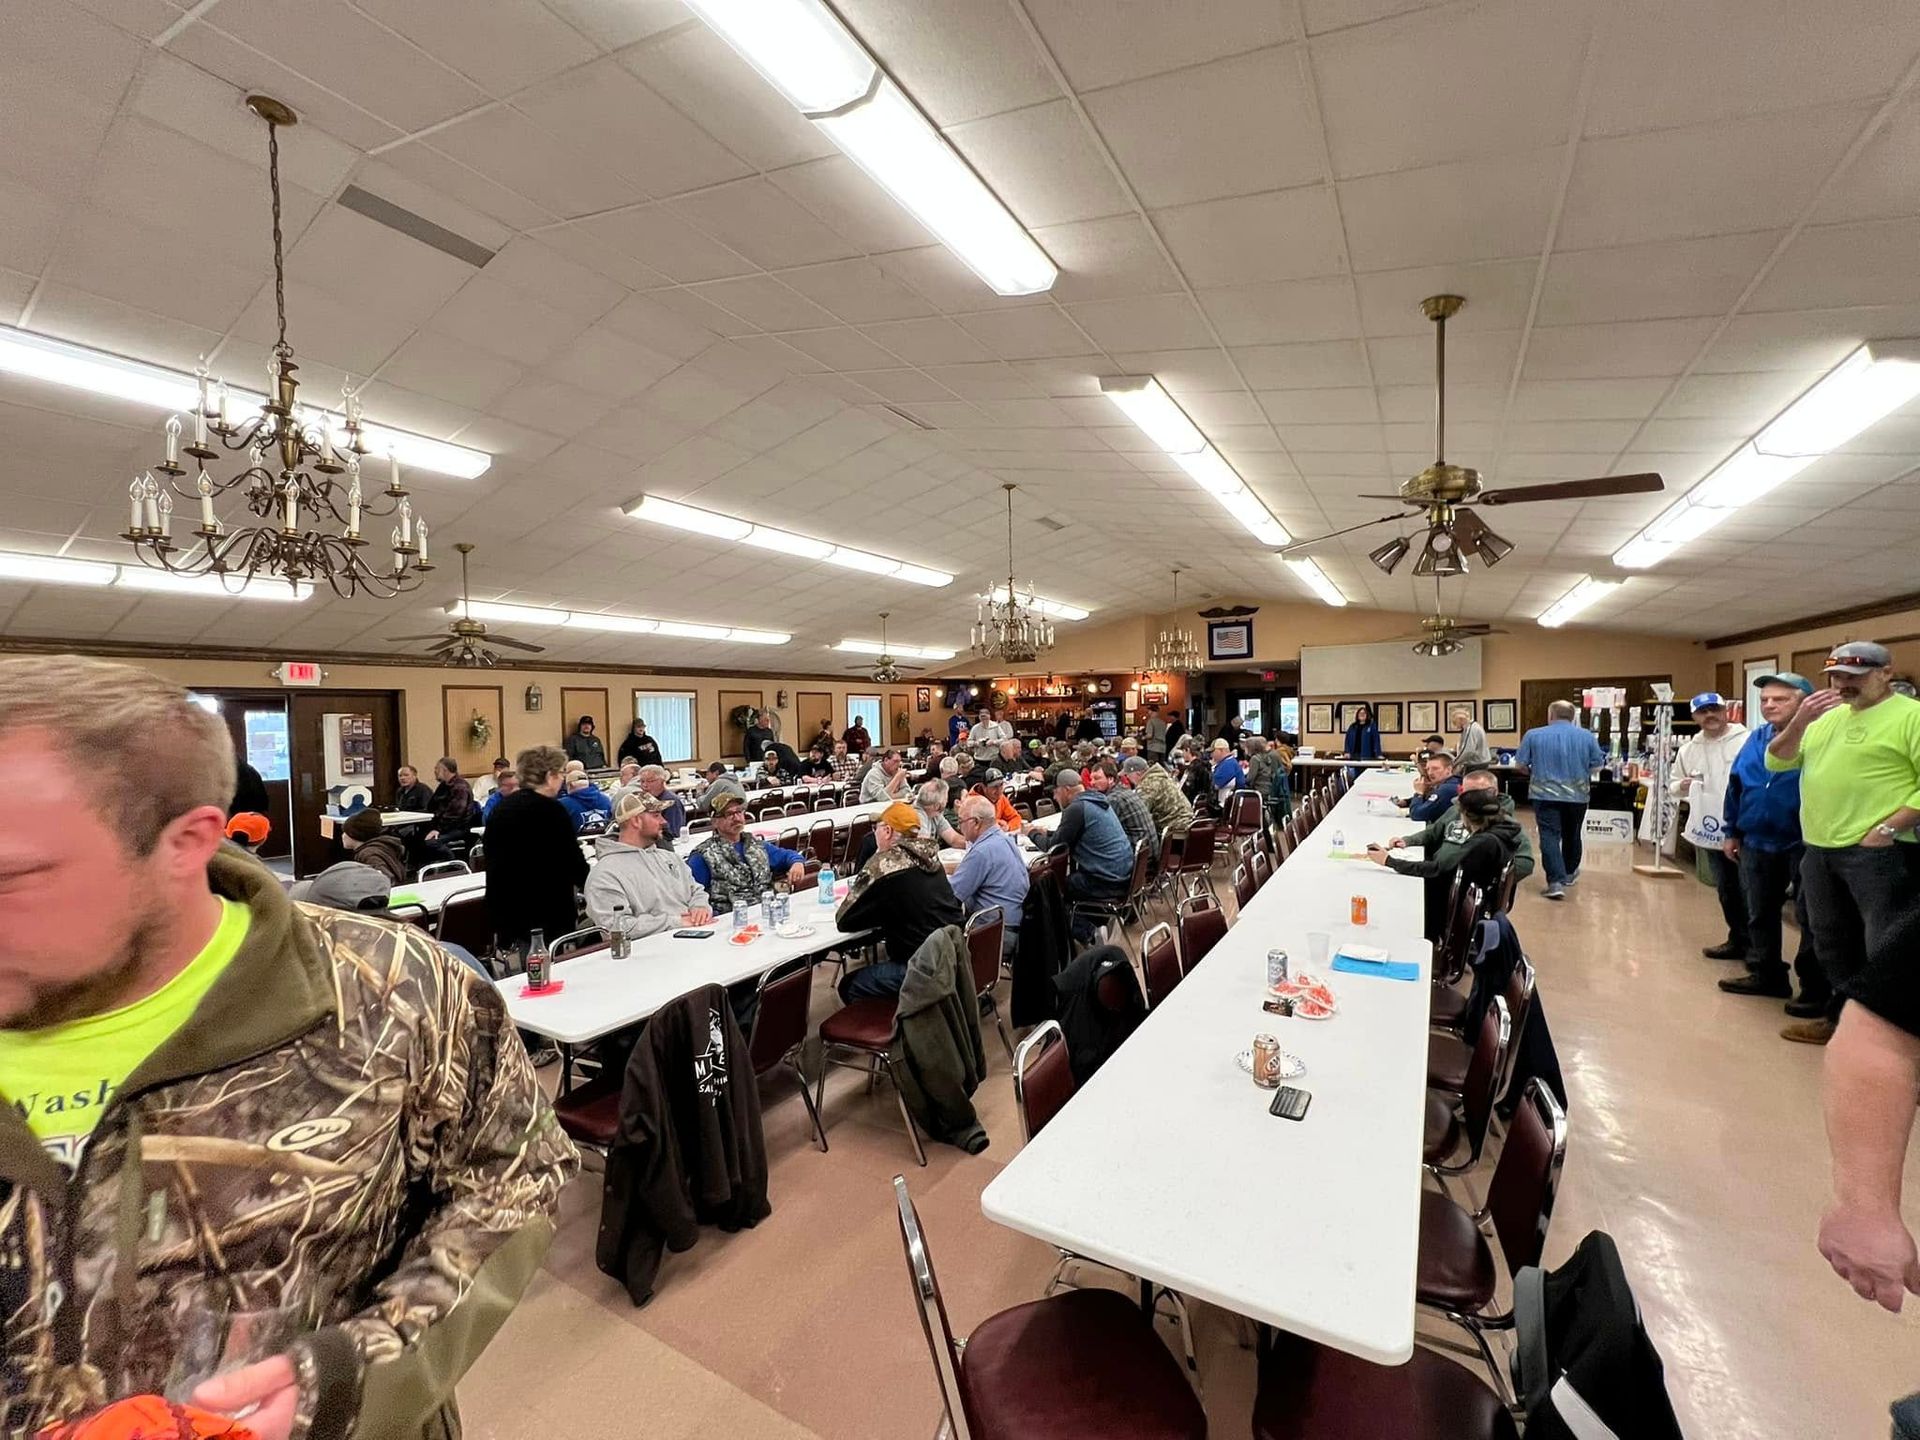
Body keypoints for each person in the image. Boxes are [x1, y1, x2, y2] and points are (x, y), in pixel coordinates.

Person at [0, 656, 574, 1440]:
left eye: (12, 878)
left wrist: (359, 1371)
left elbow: (514, 1176)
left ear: (185, 844)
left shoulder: (395, 989)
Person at [1767, 642, 1920, 1051]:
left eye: (1854, 677)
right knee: (1830, 940)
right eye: (1836, 677)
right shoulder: (1825, 719)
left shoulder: (1911, 717)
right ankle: (1842, 1021)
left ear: (1886, 673)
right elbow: (1777, 761)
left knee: (1885, 946)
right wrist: (1799, 721)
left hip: (1879, 852)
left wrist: (1888, 827)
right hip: (1818, 849)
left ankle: (1897, 1044)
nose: (1842, 685)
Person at [1716, 672, 1829, 1012]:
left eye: (1780, 699)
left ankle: (1813, 987)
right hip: (1756, 839)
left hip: (1803, 839)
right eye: (1765, 700)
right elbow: (1737, 783)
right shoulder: (1756, 738)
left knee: (1811, 916)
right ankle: (1766, 973)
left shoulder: (1821, 737)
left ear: (1804, 701)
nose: (1769, 706)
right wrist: (1732, 829)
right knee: (1759, 911)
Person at [835, 803, 964, 1002]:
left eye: (876, 828)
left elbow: (844, 920)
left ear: (887, 831)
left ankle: (902, 1025)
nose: (874, 833)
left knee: (849, 985)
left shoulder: (883, 865)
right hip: (955, 956)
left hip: (921, 966)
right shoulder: (932, 859)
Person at [1368, 786, 1522, 940]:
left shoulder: (1483, 843)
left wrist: (1389, 861)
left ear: (1467, 816)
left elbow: (1438, 870)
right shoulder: (1503, 833)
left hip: (1449, 901)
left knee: (1402, 891)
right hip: (1467, 896)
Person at [486, 745, 589, 955]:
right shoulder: (552, 811)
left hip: (510, 905)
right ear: (550, 776)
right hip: (548, 905)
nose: (562, 779)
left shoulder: (501, 809)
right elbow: (572, 861)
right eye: (561, 773)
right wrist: (593, 885)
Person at [1673, 692, 1751, 960]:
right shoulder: (1689, 749)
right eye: (1702, 712)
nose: (1710, 716)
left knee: (1751, 890)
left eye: (1714, 710)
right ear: (1694, 717)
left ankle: (1760, 951)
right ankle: (1738, 938)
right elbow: (1673, 785)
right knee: (1727, 890)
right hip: (1711, 829)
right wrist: (1681, 786)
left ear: (1725, 711)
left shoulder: (1747, 741)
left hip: (1745, 829)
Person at [1514, 699, 1607, 900]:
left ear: (1550, 715)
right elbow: (1598, 766)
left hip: (1544, 794)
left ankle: (1555, 882)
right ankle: (1569, 873)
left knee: (1549, 835)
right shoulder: (1587, 737)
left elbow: (1520, 764)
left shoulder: (1533, 735)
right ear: (1573, 717)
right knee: (1573, 834)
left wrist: (1534, 771)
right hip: (1577, 795)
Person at [585, 791, 713, 937]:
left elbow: (696, 891)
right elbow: (615, 927)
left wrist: (700, 907)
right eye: (656, 815)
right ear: (636, 821)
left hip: (696, 938)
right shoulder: (605, 874)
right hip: (647, 953)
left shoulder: (671, 858)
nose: (664, 821)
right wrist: (676, 922)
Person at [1385, 764, 1534, 881]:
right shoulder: (1458, 808)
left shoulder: (1505, 825)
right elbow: (1435, 830)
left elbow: (1525, 863)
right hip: (1435, 872)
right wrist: (1408, 840)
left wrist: (1487, 878)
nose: (1465, 798)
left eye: (1473, 793)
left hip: (1452, 883)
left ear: (1492, 793)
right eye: (1464, 792)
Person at [687, 793, 808, 913]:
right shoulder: (703, 855)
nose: (736, 818)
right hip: (731, 918)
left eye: (739, 812)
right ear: (714, 822)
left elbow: (788, 855)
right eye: (729, 814)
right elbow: (692, 895)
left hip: (767, 910)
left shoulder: (756, 846)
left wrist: (797, 863)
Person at [1031, 770, 1133, 911]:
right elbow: (1070, 834)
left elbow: (1053, 848)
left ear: (1066, 790)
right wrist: (1047, 832)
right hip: (1124, 876)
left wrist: (1031, 833)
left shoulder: (1076, 809)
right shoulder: (1097, 800)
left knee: (1051, 886)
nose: (1054, 797)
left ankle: (1082, 929)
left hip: (1106, 882)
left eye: (1055, 792)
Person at [950, 794, 1028, 955]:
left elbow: (952, 897)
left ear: (976, 823)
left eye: (961, 821)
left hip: (995, 932)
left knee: (938, 943)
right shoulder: (1005, 840)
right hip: (1017, 925)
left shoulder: (981, 852)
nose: (959, 827)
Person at [1089, 758, 1155, 850]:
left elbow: (1101, 831)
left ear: (1110, 779)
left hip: (1141, 856)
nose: (1092, 783)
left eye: (1097, 778)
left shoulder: (1113, 799)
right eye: (1091, 779)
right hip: (1148, 850)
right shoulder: (1124, 790)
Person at [1126, 754, 1193, 839]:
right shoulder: (1159, 777)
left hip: (1175, 828)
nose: (1128, 778)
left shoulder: (1148, 785)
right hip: (1185, 821)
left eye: (1128, 775)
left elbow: (1140, 814)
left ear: (1138, 773)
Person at [341, 806, 409, 884]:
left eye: (345, 832)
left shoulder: (369, 855)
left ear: (353, 834)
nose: (342, 836)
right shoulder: (380, 847)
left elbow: (385, 880)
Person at [424, 756, 476, 848]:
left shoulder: (460, 787)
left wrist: (438, 829)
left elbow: (453, 815)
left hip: (458, 828)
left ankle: (452, 860)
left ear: (445, 770)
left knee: (430, 842)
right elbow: (431, 806)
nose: (435, 771)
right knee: (413, 836)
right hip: (441, 825)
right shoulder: (443, 785)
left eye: (437, 768)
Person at [630, 764, 686, 839]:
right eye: (642, 781)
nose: (645, 785)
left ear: (662, 781)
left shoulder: (670, 801)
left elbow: (673, 834)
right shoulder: (644, 800)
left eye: (650, 781)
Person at [1407, 750, 1462, 823]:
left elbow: (1417, 814)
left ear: (1448, 769)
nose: (1430, 773)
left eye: (1435, 768)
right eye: (1428, 769)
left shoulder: (1445, 789)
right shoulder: (1456, 782)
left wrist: (1419, 794)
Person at [914, 778, 966, 849]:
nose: (947, 802)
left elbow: (954, 839)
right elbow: (924, 848)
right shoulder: (917, 816)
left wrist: (976, 844)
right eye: (945, 799)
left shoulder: (935, 813)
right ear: (937, 806)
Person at [975, 767, 1024, 831]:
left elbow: (1015, 817)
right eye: (994, 787)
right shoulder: (974, 803)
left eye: (1001, 784)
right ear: (984, 787)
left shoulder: (1001, 797)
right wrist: (996, 825)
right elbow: (977, 828)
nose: (999, 790)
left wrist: (1008, 827)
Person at [1209, 737, 1246, 807]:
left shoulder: (1228, 764)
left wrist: (1212, 769)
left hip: (1228, 806)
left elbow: (1215, 784)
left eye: (1213, 751)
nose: (1211, 755)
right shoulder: (1226, 762)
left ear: (1221, 750)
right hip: (1226, 803)